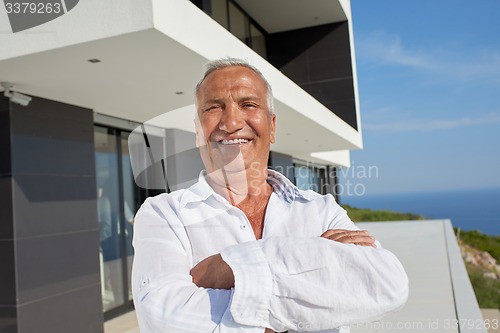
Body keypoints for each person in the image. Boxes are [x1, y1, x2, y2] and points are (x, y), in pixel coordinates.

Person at [131, 58, 409, 333]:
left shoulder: (322, 209)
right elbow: (165, 318)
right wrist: (312, 258)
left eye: (248, 105)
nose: (230, 121)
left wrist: (231, 267)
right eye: (214, 107)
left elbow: (386, 283)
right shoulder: (163, 214)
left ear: (272, 126)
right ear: (198, 131)